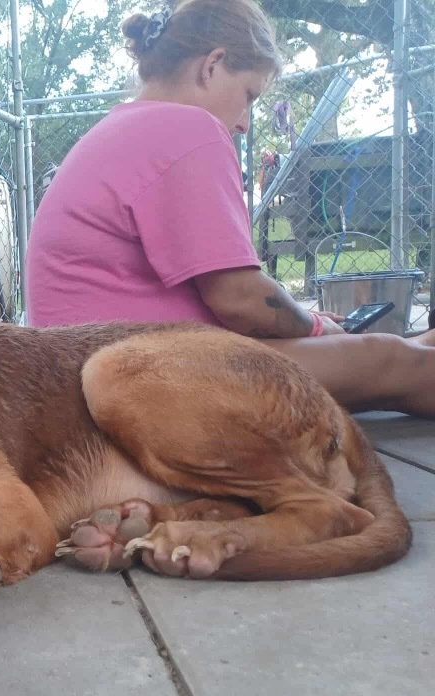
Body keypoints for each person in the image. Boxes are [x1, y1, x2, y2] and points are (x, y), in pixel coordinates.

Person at [24, 0, 435, 418]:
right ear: (213, 65)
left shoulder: (126, 128)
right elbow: (239, 299)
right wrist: (313, 326)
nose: (244, 122)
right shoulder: (186, 127)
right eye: (249, 95)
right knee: (389, 359)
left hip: (95, 382)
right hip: (143, 388)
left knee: (396, 351)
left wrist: (312, 329)